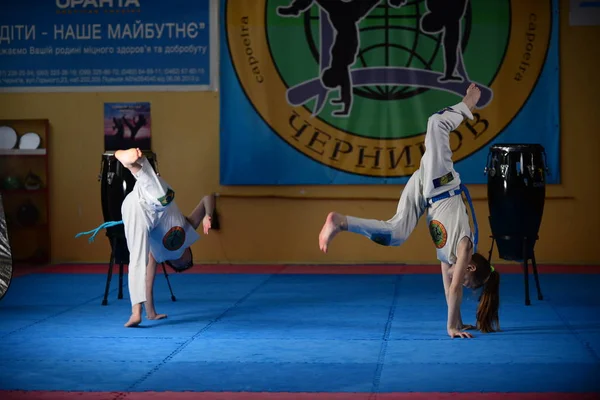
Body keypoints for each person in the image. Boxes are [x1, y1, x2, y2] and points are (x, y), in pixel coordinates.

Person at [318, 83, 500, 338]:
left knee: (396, 234)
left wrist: (457, 323)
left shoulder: (449, 256)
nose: (460, 280)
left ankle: (341, 222)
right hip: (441, 182)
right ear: (468, 267)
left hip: (427, 191)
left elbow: (450, 288)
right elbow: (456, 287)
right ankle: (469, 102)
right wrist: (450, 327)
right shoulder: (464, 247)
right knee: (436, 123)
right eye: (468, 279)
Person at [115, 148, 217, 327]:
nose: (185, 262)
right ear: (188, 252)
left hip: (139, 215)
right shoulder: (188, 231)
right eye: (188, 262)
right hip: (153, 199)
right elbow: (208, 197)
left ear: (174, 264)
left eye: (184, 266)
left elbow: (148, 280)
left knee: (136, 259)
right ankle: (129, 162)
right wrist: (209, 214)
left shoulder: (158, 255)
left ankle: (136, 312)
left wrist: (151, 311)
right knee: (163, 197)